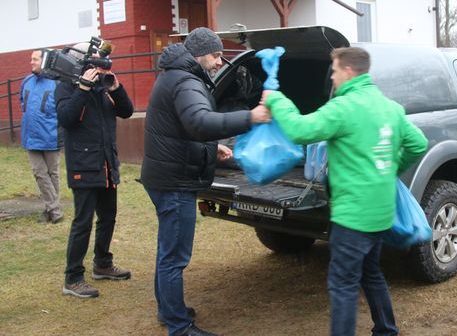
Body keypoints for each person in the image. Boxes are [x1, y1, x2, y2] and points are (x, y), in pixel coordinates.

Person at [263, 46, 428, 336]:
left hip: (353, 217)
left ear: (349, 71)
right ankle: (386, 330)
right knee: (371, 272)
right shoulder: (390, 107)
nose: (332, 77)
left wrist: (276, 99)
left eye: (335, 71)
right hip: (380, 213)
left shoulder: (343, 107)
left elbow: (300, 130)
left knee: (342, 285)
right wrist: (390, 168)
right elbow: (418, 143)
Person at [140, 27, 270, 336]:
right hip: (175, 182)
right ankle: (179, 327)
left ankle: (169, 310)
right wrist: (252, 116)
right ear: (199, 55)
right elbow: (199, 122)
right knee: (175, 256)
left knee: (167, 250)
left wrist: (213, 147)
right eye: (215, 55)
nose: (219, 62)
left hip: (165, 176)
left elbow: (182, 127)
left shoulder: (174, 76)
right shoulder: (186, 81)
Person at [55, 41, 134, 299]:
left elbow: (127, 111)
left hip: (106, 163)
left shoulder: (103, 84)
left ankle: (102, 264)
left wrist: (116, 88)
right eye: (95, 59)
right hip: (83, 165)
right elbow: (66, 119)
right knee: (83, 222)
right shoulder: (66, 86)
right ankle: (73, 278)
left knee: (108, 216)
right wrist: (82, 89)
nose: (99, 64)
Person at [20, 49, 64, 224]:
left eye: (35, 59)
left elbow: (62, 109)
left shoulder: (56, 83)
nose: (31, 62)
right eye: (31, 59)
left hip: (51, 136)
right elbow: (23, 104)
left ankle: (49, 209)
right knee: (39, 173)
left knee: (52, 174)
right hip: (31, 136)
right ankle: (55, 210)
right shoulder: (26, 81)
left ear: (44, 61)